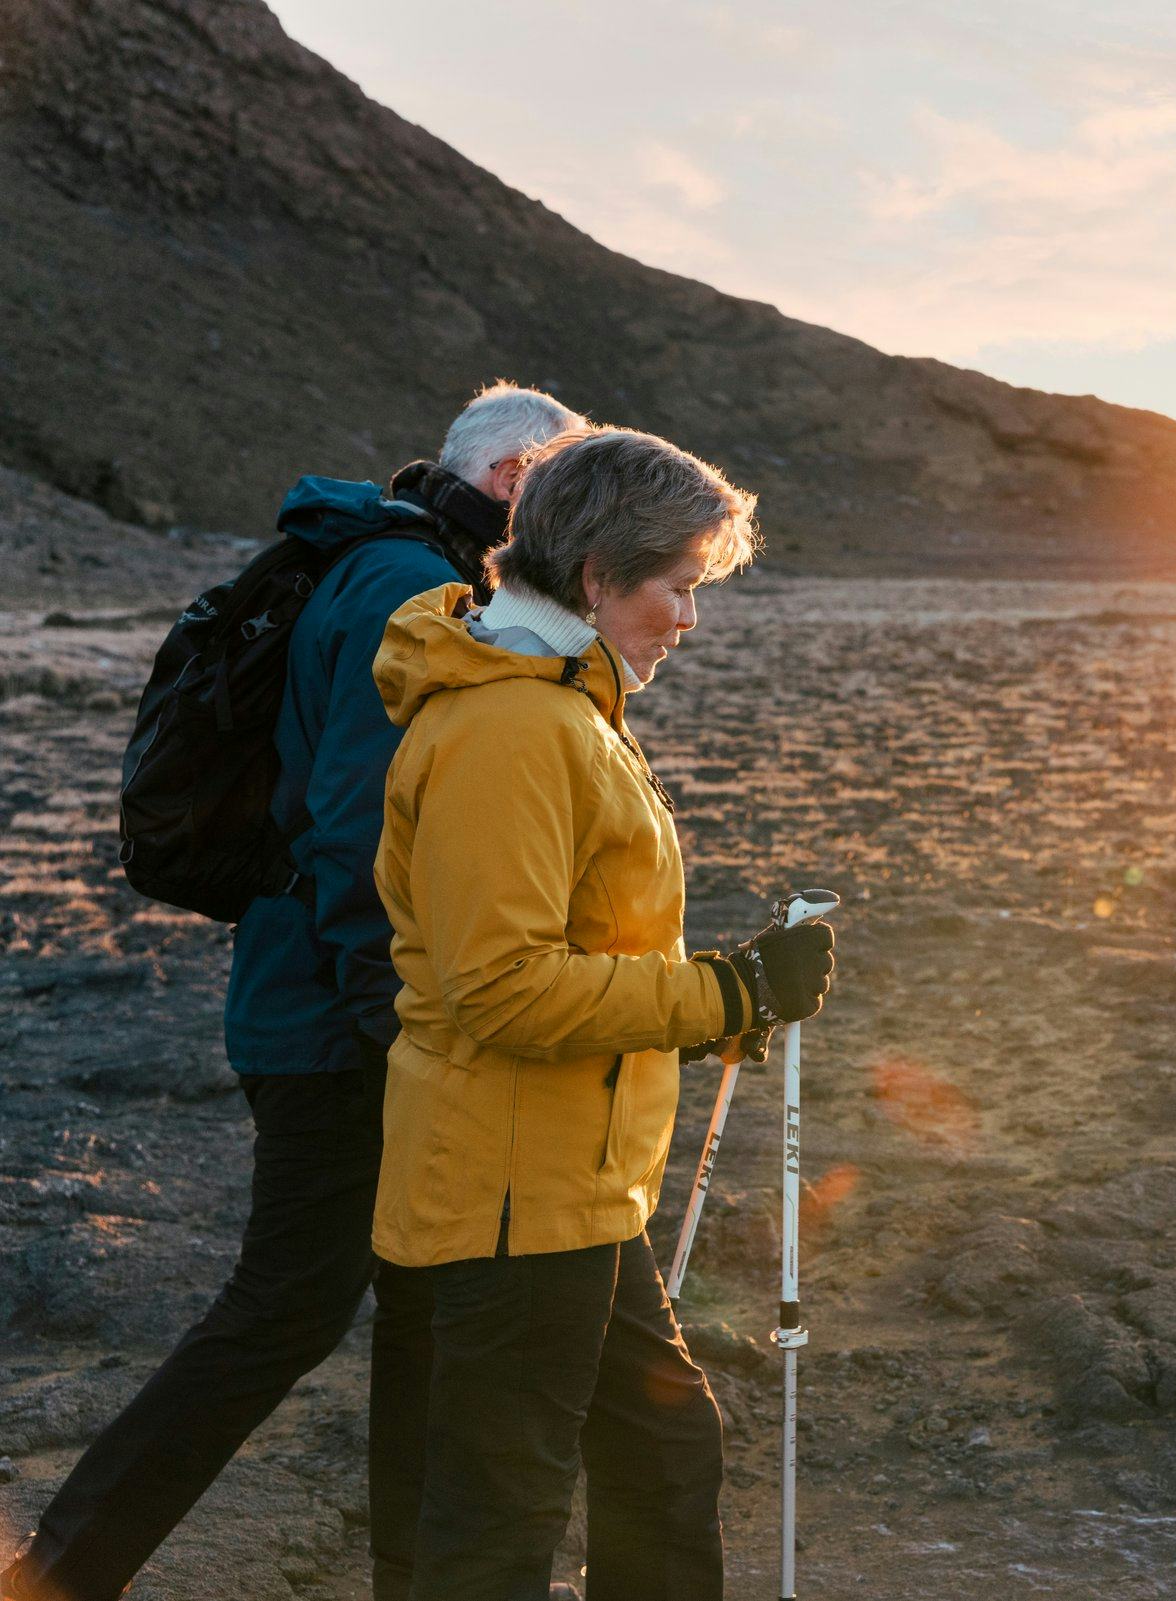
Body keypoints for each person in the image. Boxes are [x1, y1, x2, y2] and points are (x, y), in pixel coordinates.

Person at [3, 382, 586, 1601]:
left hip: (327, 999)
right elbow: (355, 834)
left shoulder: (407, 567)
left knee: (416, 1301)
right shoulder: (397, 587)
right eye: (564, 493)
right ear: (516, 481)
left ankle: (411, 1577)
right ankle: (56, 1572)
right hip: (336, 1021)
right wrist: (403, 1024)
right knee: (284, 1306)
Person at [369, 426, 836, 1600]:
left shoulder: (558, 703)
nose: (688, 618)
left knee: (660, 1452)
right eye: (677, 587)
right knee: (500, 1517)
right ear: (593, 577)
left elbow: (586, 947)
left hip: (572, 1182)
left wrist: (720, 1007)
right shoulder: (509, 728)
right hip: (512, 1191)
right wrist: (721, 990)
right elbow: (505, 984)